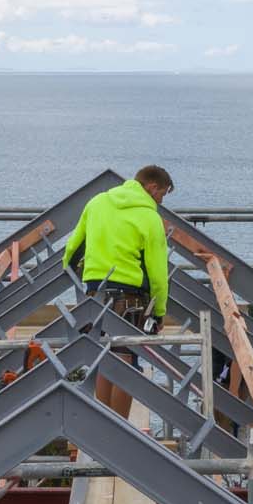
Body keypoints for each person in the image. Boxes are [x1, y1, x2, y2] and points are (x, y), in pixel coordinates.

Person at [63, 165, 173, 418]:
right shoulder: (149, 217)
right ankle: (119, 426)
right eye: (162, 194)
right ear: (151, 187)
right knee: (125, 359)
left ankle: (103, 421)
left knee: (103, 356)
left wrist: (81, 277)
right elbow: (157, 273)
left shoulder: (98, 202)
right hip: (129, 296)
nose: (161, 201)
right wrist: (158, 312)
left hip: (94, 293)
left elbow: (72, 249)